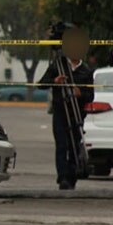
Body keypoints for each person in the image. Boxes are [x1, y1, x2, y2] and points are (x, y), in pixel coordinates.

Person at [38, 27, 93, 190]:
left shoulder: (86, 71)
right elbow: (41, 84)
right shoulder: (58, 65)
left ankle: (72, 175)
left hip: (77, 114)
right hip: (61, 112)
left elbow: (90, 95)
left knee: (74, 145)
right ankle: (62, 177)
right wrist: (55, 81)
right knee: (61, 145)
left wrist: (80, 93)